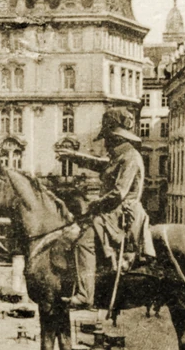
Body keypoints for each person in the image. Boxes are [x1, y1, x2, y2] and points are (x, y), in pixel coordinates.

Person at [57, 108, 156, 309]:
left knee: (84, 241)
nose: (105, 143)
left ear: (115, 137)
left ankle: (85, 295)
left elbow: (119, 193)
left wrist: (94, 203)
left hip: (121, 212)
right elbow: (101, 164)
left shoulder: (130, 157)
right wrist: (74, 156)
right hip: (112, 210)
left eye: (107, 138)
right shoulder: (119, 156)